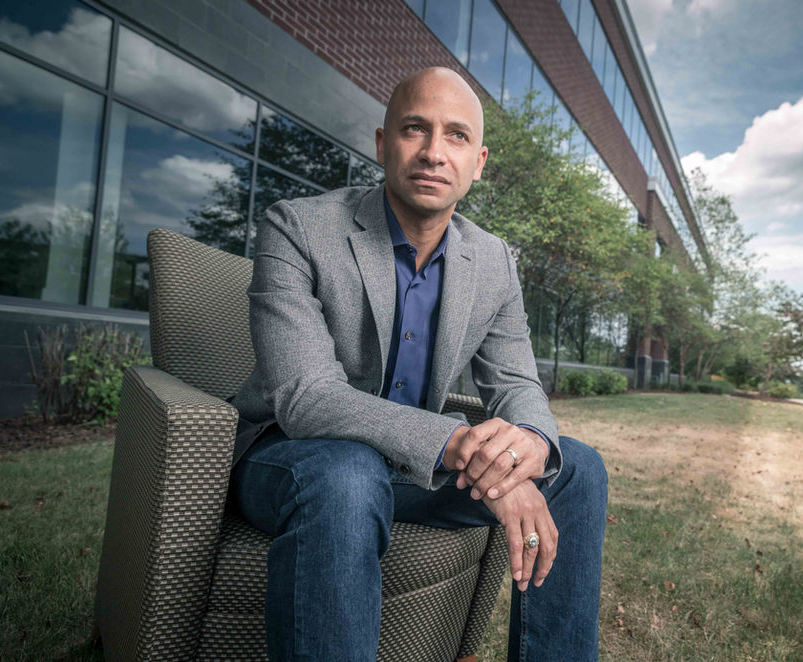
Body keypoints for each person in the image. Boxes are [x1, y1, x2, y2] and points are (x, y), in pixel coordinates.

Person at [228, 66, 608, 662]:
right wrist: (459, 444)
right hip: (289, 458)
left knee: (577, 466)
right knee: (348, 472)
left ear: (478, 162)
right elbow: (306, 397)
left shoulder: (494, 261)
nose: (434, 153)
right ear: (383, 144)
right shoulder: (298, 227)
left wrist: (526, 447)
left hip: (409, 470)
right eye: (415, 129)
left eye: (456, 136)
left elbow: (515, 382)